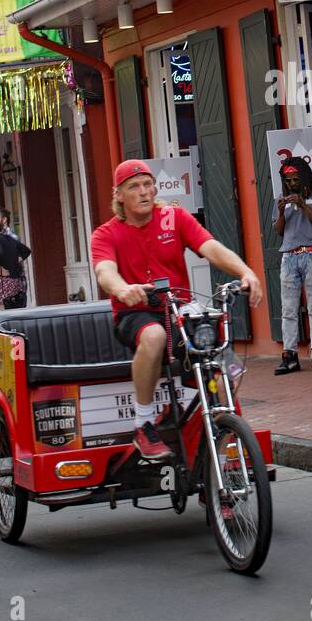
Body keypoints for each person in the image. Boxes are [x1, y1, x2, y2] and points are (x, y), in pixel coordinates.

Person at [90, 159, 263, 462]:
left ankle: (223, 460)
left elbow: (210, 247)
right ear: (119, 194)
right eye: (134, 187)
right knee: (155, 336)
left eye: (147, 184)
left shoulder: (174, 217)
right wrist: (121, 289)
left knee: (222, 371)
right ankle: (143, 423)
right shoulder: (107, 233)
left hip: (179, 311)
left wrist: (245, 272)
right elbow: (105, 271)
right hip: (137, 312)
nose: (144, 192)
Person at [272, 157, 312, 374]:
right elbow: (278, 231)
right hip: (289, 257)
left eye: (296, 179)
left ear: (305, 177)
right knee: (288, 310)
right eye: (288, 180)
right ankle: (290, 356)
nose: (292, 183)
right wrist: (281, 212)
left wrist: (303, 205)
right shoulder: (281, 197)